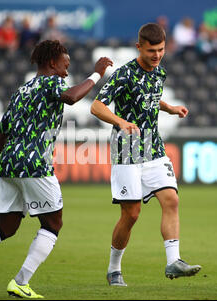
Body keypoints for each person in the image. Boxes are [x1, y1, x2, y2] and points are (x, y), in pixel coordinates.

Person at [0, 40, 112, 299]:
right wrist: (97, 74)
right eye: (65, 66)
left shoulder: (22, 90)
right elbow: (72, 97)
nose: (66, 72)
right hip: (34, 162)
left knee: (6, 227)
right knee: (53, 223)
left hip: (9, 162)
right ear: (52, 63)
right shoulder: (51, 83)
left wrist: (8, 164)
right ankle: (21, 281)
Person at [90, 23, 201, 286]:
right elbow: (96, 106)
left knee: (171, 199)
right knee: (132, 215)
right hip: (126, 150)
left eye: (161, 49)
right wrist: (120, 122)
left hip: (153, 147)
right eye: (151, 50)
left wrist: (170, 108)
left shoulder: (159, 73)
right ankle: (114, 268)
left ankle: (173, 261)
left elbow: (149, 97)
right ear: (139, 46)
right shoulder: (124, 74)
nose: (157, 55)